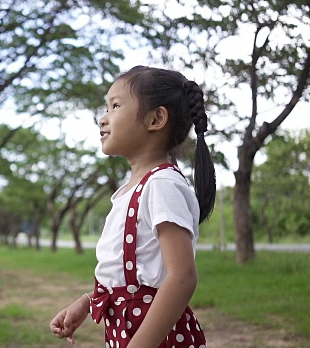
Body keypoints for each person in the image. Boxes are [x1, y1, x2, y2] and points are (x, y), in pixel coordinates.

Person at [49, 66, 216, 348]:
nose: (102, 118)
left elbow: (182, 277)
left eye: (115, 106)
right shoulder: (129, 191)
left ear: (155, 119)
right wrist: (87, 303)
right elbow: (132, 274)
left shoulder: (162, 185)